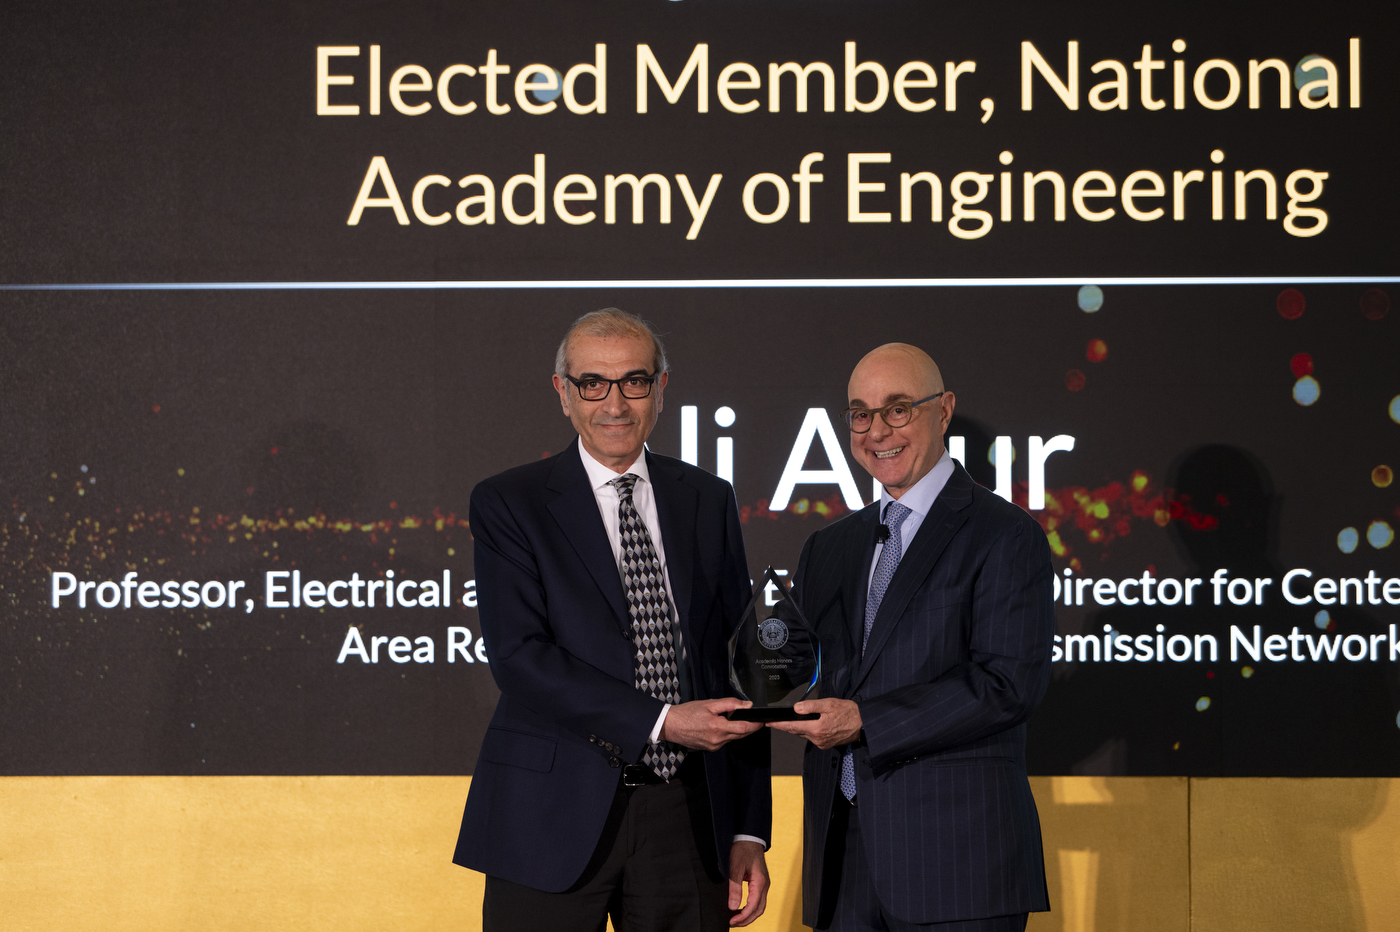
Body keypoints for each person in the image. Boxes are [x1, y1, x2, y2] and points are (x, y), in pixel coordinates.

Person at [453, 308, 771, 932]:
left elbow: (740, 667)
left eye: (634, 381)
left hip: (687, 822)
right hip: (548, 816)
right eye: (592, 383)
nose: (615, 403)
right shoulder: (509, 502)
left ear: (661, 387)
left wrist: (747, 827)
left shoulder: (707, 499)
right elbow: (519, 657)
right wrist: (661, 722)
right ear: (563, 393)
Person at [771, 343, 1054, 932]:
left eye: (898, 409)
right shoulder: (830, 547)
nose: (878, 430)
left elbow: (1008, 684)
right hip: (843, 857)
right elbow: (801, 664)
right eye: (860, 414)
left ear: (944, 410)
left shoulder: (1004, 535)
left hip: (958, 866)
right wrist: (756, 660)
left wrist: (865, 721)